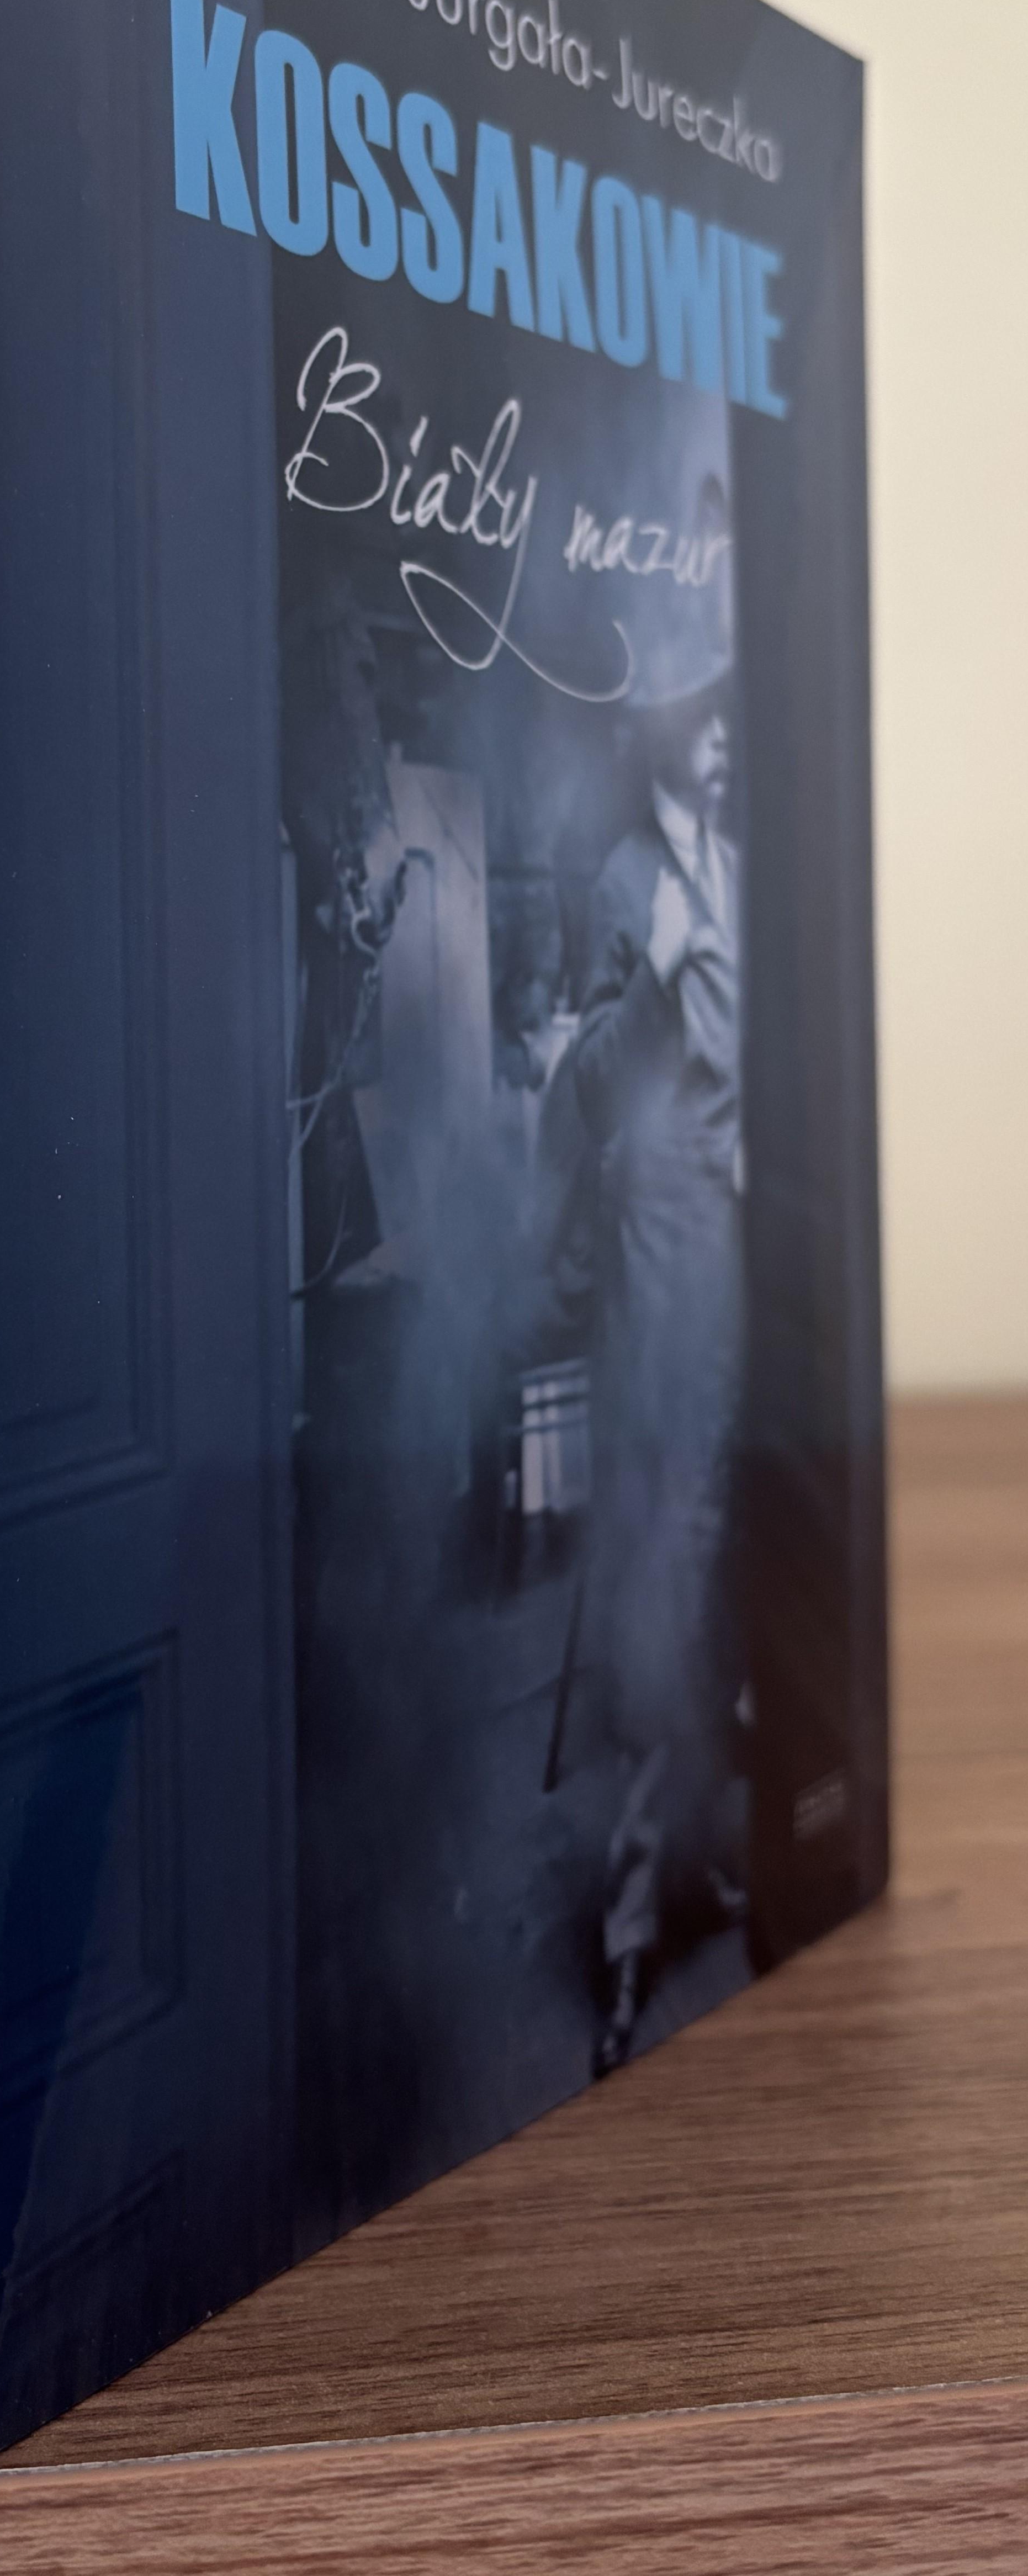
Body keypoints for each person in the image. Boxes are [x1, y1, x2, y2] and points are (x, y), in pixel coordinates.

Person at [571, 680, 744, 2072]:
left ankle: (707, 1850)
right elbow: (585, 1083)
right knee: (668, 1563)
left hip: (753, 1252)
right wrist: (653, 969)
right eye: (704, 717)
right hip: (670, 1260)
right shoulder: (624, 880)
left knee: (737, 1552)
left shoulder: (739, 865)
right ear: (660, 734)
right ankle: (630, 1922)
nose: (724, 734)